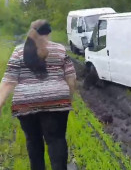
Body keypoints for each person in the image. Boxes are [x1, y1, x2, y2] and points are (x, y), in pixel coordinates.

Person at [0, 20, 76, 170]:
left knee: (33, 142)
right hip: (56, 102)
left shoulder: (18, 51)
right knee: (56, 140)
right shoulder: (60, 50)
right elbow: (71, 78)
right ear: (49, 33)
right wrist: (69, 98)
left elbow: (8, 82)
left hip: (25, 104)